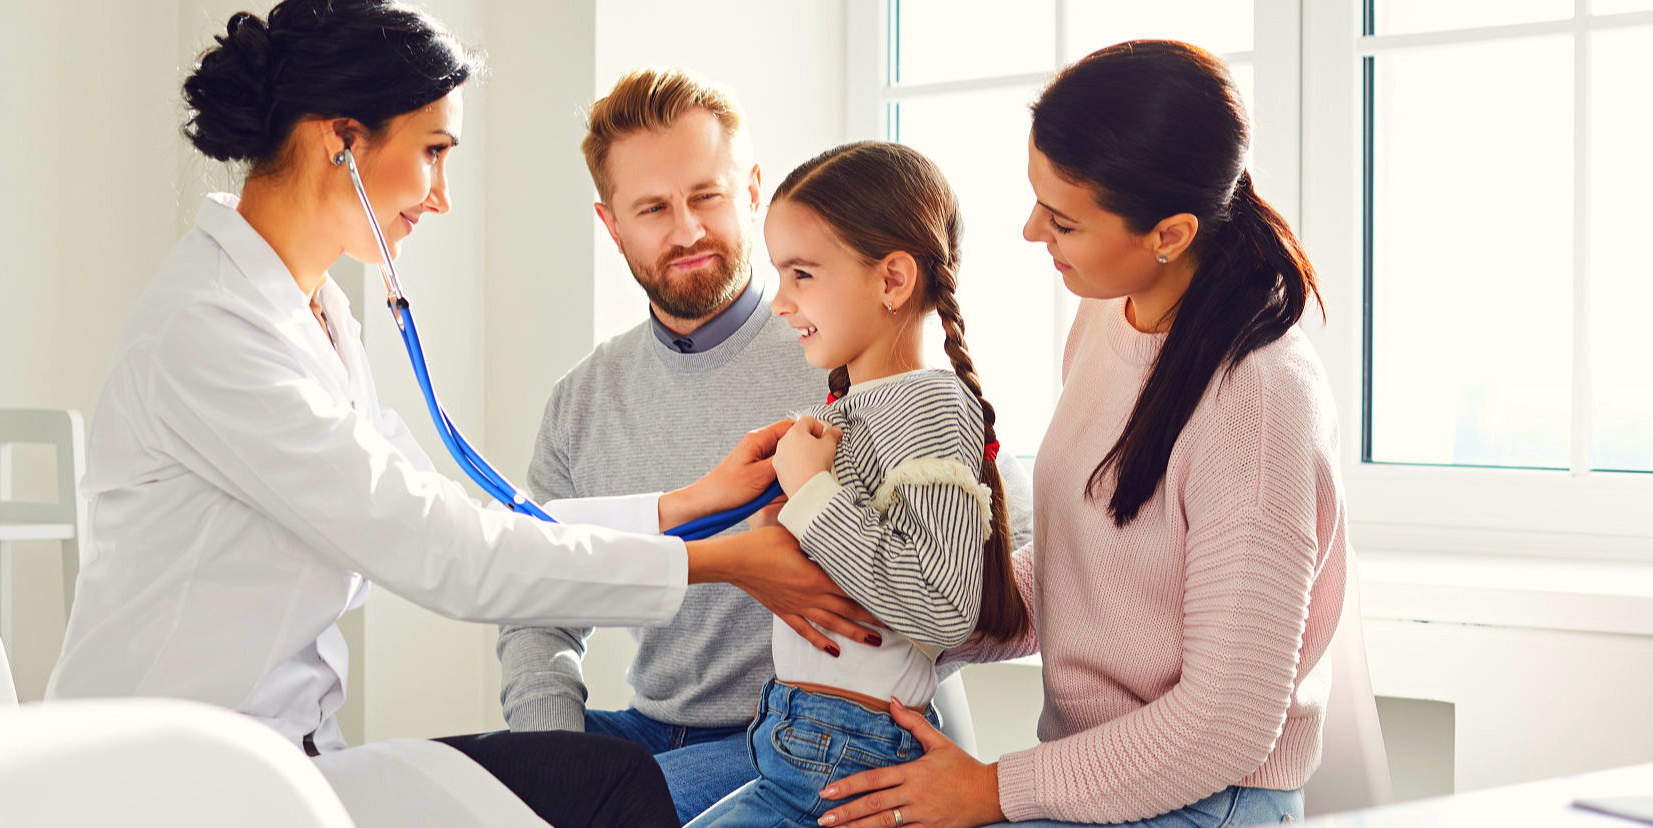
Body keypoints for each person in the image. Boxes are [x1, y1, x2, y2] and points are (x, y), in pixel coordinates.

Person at [46, 4, 862, 827]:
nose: (440, 197)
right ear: (344, 141)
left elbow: (463, 517)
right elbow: (445, 550)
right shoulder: (211, 331)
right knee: (599, 785)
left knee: (600, 784)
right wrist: (715, 560)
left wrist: (680, 508)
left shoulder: (312, 310)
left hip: (282, 755)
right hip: (168, 777)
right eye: (433, 151)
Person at [813, 41, 1348, 828]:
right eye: (1038, 199)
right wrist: (917, 607)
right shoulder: (1108, 311)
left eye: (1062, 219)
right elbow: (1082, 566)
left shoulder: (1258, 401)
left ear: (1169, 233)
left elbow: (1227, 726)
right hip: (1098, 782)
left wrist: (991, 790)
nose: (1031, 231)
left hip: (1208, 799)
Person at [495, 69, 1033, 822]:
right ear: (610, 223)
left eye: (706, 196)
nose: (684, 230)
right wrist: (554, 760)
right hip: (647, 727)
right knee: (466, 790)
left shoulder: (849, 349)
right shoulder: (582, 399)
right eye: (652, 208)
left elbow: (1000, 561)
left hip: (799, 734)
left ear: (751, 190)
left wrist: (878, 623)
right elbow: (536, 601)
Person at [685, 140, 1030, 827]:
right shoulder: (850, 411)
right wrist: (778, 516)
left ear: (893, 281)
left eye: (802, 274)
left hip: (846, 757)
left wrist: (813, 495)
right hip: (797, 740)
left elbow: (942, 606)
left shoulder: (929, 404)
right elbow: (845, 570)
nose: (780, 303)